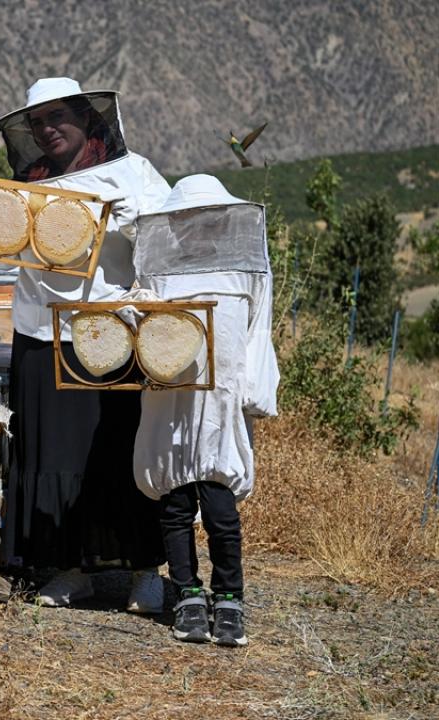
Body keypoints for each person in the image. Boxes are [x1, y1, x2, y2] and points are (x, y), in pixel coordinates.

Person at [0, 77, 172, 613]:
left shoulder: (134, 173)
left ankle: (144, 571)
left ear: (86, 117)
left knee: (125, 450)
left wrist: (138, 224)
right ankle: (69, 567)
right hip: (41, 332)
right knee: (55, 453)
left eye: (58, 116)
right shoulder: (29, 181)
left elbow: (176, 239)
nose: (47, 129)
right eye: (37, 122)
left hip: (113, 330)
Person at [131, 175, 279, 646]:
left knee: (220, 508)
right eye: (185, 220)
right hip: (169, 399)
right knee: (174, 505)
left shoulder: (246, 271)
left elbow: (258, 333)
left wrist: (252, 394)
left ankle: (230, 597)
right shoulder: (158, 270)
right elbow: (142, 325)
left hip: (220, 405)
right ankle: (188, 595)